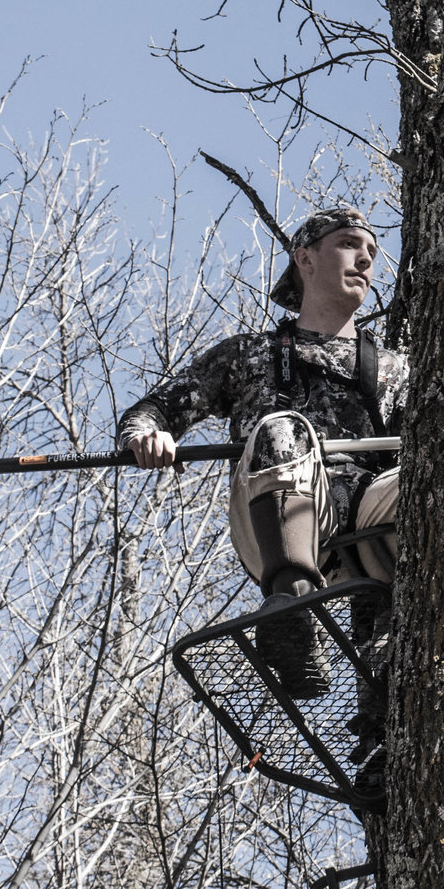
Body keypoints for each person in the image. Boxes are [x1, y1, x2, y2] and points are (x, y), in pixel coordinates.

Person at [117, 207, 407, 697]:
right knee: (281, 428)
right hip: (281, 520)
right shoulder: (250, 354)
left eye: (373, 253)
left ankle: (382, 726)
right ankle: (291, 610)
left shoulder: (396, 370)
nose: (365, 260)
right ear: (305, 258)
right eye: (349, 244)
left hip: (370, 530)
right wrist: (147, 436)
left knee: (438, 475)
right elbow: (154, 410)